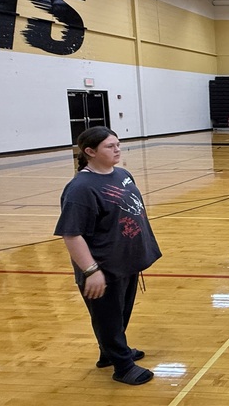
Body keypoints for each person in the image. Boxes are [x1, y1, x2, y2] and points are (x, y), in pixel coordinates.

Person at [55, 127, 161, 386]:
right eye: (109, 146)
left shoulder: (123, 175)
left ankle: (111, 351)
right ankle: (122, 366)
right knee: (108, 316)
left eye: (118, 144)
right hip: (103, 266)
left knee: (120, 314)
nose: (117, 149)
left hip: (126, 261)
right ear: (90, 152)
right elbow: (71, 234)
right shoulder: (81, 188)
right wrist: (91, 270)